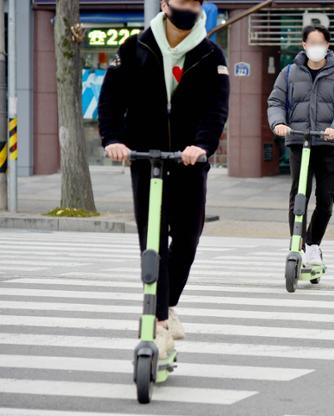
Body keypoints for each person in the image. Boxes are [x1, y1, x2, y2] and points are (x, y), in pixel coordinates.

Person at [98, 0, 229, 358]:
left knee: (187, 239)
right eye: (179, 1)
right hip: (145, 159)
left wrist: (201, 145)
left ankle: (166, 307)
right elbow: (110, 99)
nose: (185, 7)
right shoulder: (134, 48)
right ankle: (158, 323)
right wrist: (113, 140)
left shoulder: (211, 55)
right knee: (152, 241)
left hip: (188, 162)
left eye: (192, 2)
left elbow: (216, 110)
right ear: (164, 4)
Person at [267, 25, 334, 265]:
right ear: (304, 45)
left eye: (321, 43)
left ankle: (313, 243)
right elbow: (275, 101)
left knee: (326, 199)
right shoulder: (288, 73)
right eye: (312, 43)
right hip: (299, 140)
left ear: (328, 46)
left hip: (329, 142)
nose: (316, 48)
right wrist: (278, 123)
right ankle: (298, 245)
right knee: (299, 196)